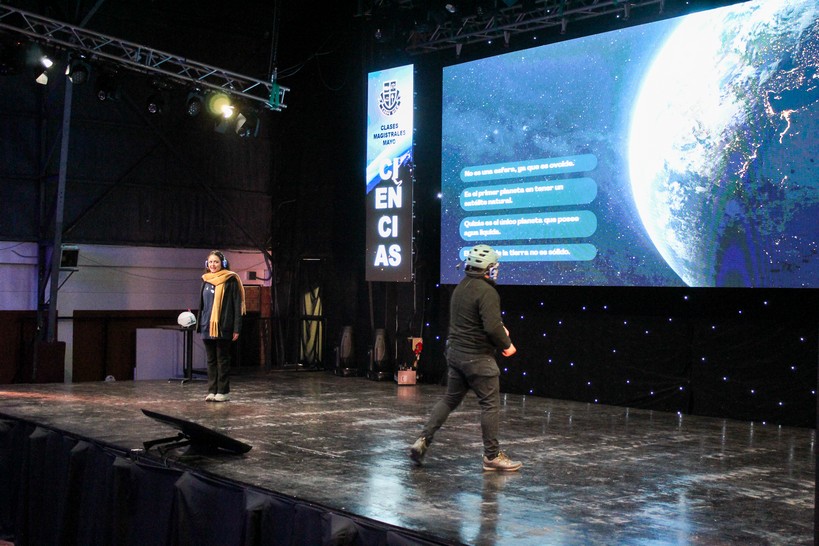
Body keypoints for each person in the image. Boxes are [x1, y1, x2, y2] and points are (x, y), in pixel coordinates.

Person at [410, 244, 522, 471]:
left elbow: (476, 322)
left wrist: (498, 330)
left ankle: (423, 439)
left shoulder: (461, 287)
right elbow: (492, 327)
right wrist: (507, 345)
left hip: (456, 355)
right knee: (490, 405)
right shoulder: (488, 291)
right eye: (494, 266)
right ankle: (492, 456)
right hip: (478, 358)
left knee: (449, 400)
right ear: (488, 268)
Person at [198, 250, 246, 402]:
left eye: (216, 262)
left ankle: (223, 391)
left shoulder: (231, 280)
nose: (213, 264)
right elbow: (202, 305)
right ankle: (212, 390)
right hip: (207, 326)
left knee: (222, 359)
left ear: (223, 263)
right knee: (211, 360)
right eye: (211, 262)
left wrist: (236, 328)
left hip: (223, 326)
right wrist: (200, 324)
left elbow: (236, 305)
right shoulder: (205, 280)